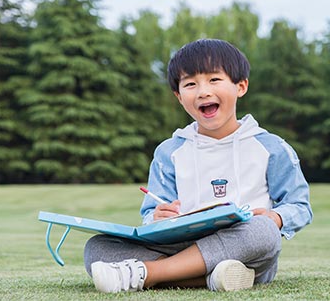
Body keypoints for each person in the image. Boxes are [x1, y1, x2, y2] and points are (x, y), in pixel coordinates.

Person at [84, 38, 313, 293]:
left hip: (242, 248)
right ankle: (212, 279)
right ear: (179, 96)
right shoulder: (168, 152)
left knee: (264, 232)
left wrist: (276, 217)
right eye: (190, 84)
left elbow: (300, 206)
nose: (203, 91)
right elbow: (151, 213)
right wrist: (157, 216)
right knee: (97, 247)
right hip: (182, 246)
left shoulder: (271, 147)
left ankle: (150, 273)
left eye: (214, 80)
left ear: (241, 86)